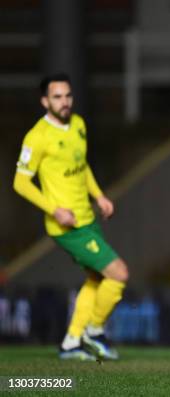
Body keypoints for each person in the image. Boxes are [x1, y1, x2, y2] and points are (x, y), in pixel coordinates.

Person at [13, 73, 129, 361]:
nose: (64, 102)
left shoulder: (77, 124)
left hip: (87, 217)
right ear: (45, 101)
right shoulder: (37, 137)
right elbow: (20, 182)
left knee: (96, 278)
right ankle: (95, 330)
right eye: (57, 97)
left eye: (67, 96)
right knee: (118, 273)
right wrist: (54, 210)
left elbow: (82, 166)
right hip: (66, 226)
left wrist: (99, 195)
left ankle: (71, 342)